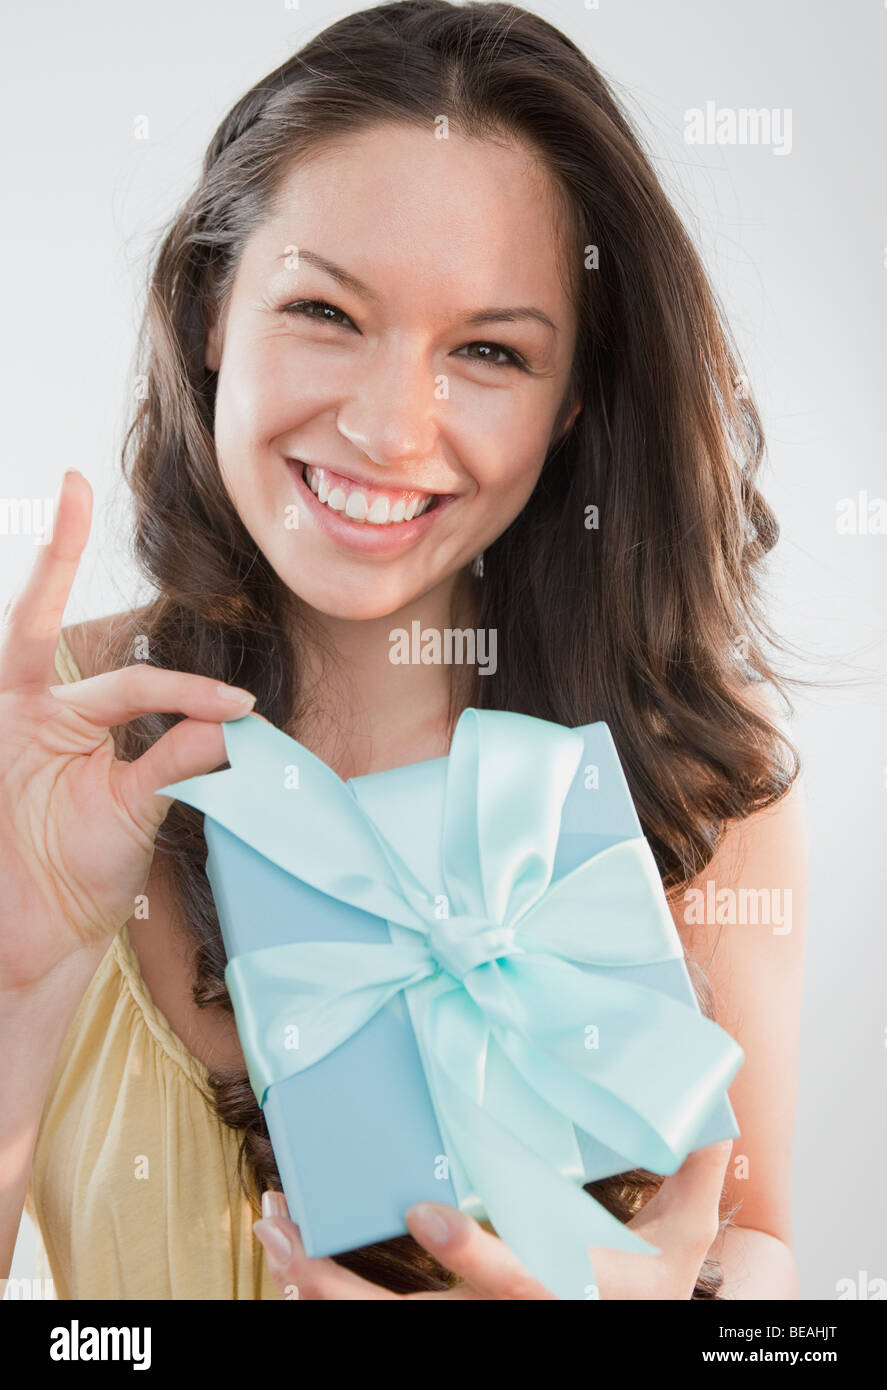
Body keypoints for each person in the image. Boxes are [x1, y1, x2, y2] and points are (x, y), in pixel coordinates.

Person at [0, 0, 807, 1300]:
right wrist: (19, 978)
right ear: (214, 309)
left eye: (489, 350)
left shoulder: (702, 777)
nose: (388, 428)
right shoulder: (47, 750)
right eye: (326, 310)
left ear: (573, 403)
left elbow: (757, 1250)